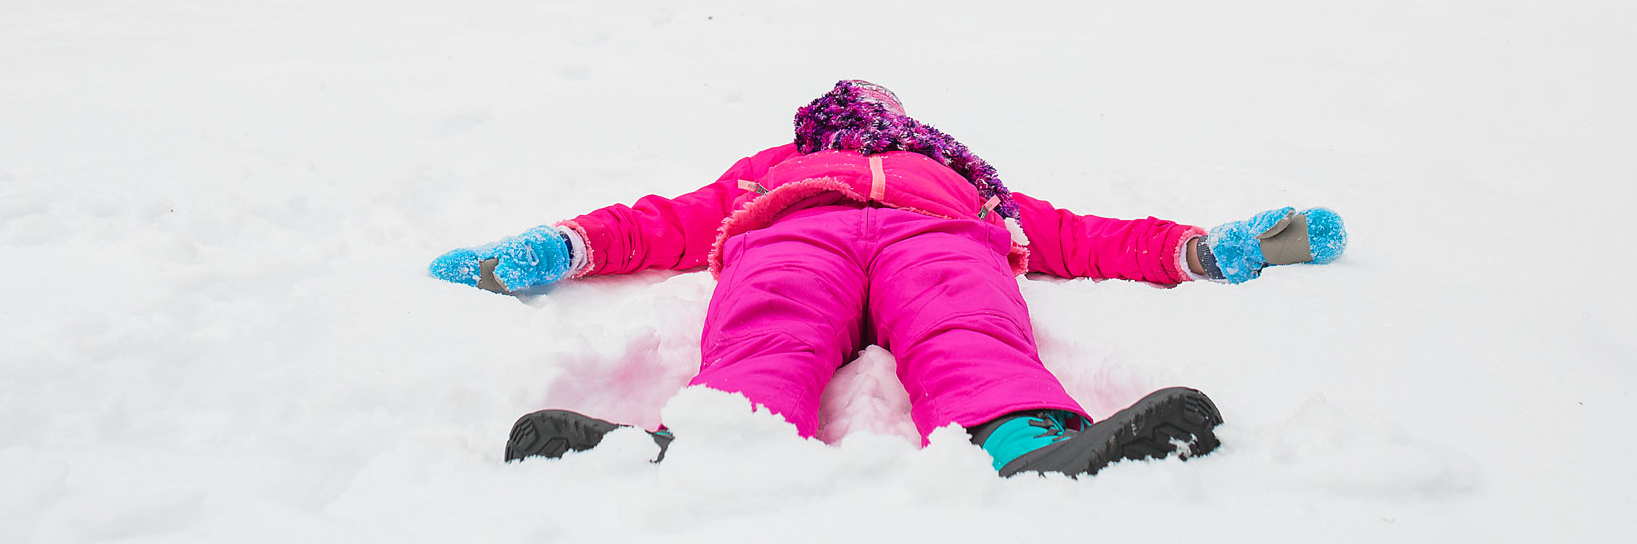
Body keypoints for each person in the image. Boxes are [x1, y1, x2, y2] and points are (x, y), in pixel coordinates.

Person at [430, 79, 1345, 479]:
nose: (869, 121)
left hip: (940, 238)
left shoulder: (965, 180)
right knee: (769, 326)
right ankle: (706, 441)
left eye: (883, 111)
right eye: (853, 109)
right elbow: (662, 221)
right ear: (821, 121)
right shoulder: (772, 168)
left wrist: (1199, 245)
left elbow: (1079, 235)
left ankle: (1027, 438)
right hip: (794, 238)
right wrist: (558, 243)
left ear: (912, 127)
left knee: (967, 323)